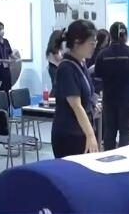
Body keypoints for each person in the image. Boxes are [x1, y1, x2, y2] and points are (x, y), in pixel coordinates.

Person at [94, 22, 129, 150]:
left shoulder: (102, 54)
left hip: (109, 100)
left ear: (111, 36)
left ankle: (107, 158)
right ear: (125, 35)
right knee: (126, 132)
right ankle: (124, 159)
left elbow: (98, 79)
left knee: (109, 132)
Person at [50, 20, 99, 158]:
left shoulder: (81, 64)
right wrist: (90, 135)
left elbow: (86, 94)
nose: (94, 46)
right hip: (69, 134)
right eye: (91, 43)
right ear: (77, 43)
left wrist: (92, 104)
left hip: (81, 131)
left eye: (95, 42)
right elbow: (76, 105)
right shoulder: (66, 68)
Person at [0, 22, 17, 93]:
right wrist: (5, 60)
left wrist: (16, 58)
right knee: (1, 90)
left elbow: (10, 53)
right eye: (0, 29)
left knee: (8, 88)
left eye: (3, 29)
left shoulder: (6, 41)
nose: (2, 31)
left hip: (7, 70)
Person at [86, 29, 111, 93]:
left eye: (107, 40)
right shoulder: (93, 51)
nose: (106, 42)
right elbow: (88, 65)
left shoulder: (106, 51)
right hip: (93, 78)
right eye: (105, 40)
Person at [45, 30, 64, 96]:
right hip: (54, 68)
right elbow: (59, 58)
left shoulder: (57, 47)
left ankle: (52, 98)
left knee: (57, 85)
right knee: (56, 86)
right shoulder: (54, 48)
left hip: (55, 67)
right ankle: (52, 98)